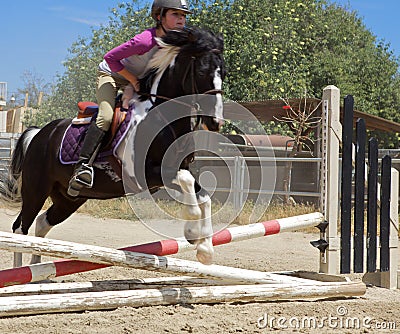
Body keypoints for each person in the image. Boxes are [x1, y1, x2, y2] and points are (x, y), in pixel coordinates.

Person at [68, 0, 192, 196]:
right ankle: (83, 166)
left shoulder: (175, 44)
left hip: (135, 82)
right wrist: (133, 81)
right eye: (175, 15)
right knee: (107, 116)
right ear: (159, 16)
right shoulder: (145, 40)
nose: (181, 20)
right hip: (111, 75)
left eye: (183, 16)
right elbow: (110, 57)